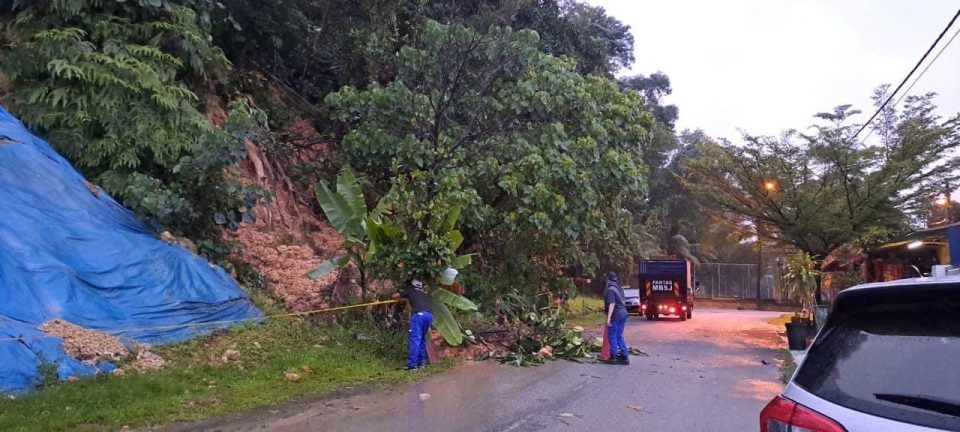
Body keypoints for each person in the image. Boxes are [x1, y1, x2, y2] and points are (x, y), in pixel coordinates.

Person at [392, 278, 433, 370]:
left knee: (415, 339)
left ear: (412, 286)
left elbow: (394, 296)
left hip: (418, 315)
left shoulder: (410, 291)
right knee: (422, 339)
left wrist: (403, 296)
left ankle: (412, 365)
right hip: (429, 316)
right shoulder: (425, 295)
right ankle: (421, 363)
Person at [603, 271, 630, 365]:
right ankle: (625, 356)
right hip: (623, 312)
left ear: (608, 279)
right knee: (619, 335)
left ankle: (613, 356)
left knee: (612, 335)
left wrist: (608, 318)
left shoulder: (611, 289)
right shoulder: (618, 288)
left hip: (616, 314)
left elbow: (612, 303)